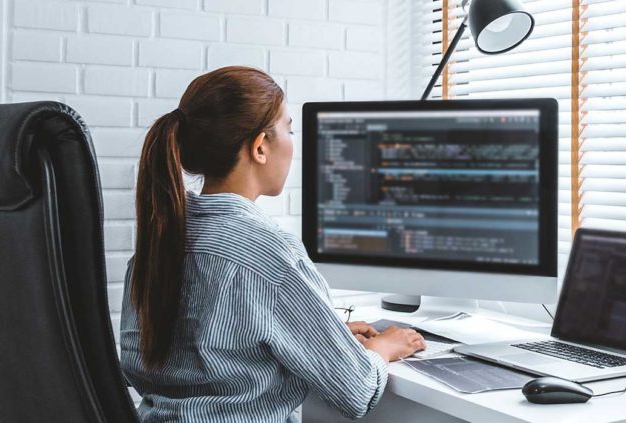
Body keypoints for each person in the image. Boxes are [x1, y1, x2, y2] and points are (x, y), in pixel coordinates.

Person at [119, 66, 425, 422]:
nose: (293, 143)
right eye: (289, 129)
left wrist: (324, 335)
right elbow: (357, 389)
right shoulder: (271, 255)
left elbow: (198, 351)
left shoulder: (158, 245)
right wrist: (381, 347)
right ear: (261, 146)